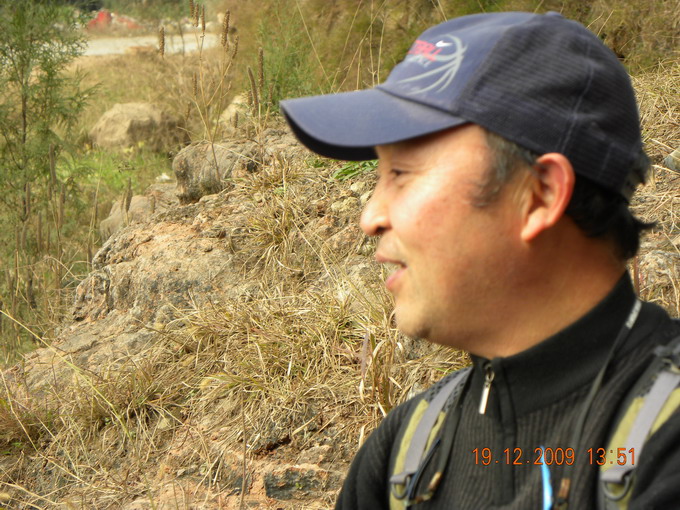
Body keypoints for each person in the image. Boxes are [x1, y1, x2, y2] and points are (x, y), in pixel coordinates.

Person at [280, 11, 680, 510]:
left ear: (540, 194)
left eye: (401, 172)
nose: (370, 217)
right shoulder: (404, 454)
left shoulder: (664, 444)